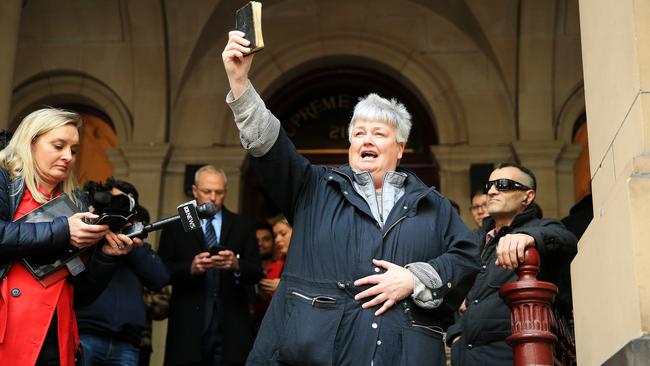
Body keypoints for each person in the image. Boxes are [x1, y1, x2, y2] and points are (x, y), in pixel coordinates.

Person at [222, 31, 481, 366]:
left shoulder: (433, 205)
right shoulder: (313, 187)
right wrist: (240, 82)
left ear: (400, 148)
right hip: (312, 355)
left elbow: (468, 258)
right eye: (359, 133)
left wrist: (415, 279)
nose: (366, 140)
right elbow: (269, 146)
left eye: (378, 133)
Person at [0, 108, 139, 366]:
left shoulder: (77, 202)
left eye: (73, 150)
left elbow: (81, 293)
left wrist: (107, 258)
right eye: (58, 145)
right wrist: (65, 231)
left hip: (57, 338)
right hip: (8, 331)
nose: (68, 157)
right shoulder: (5, 181)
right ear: (30, 142)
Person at [446, 163, 578, 365]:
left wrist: (528, 236)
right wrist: (456, 335)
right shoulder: (473, 239)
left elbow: (567, 241)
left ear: (528, 196)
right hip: (466, 355)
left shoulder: (542, 228)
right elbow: (449, 284)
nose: (491, 191)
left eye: (503, 185)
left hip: (511, 355)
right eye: (489, 185)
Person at [158, 165, 264, 366]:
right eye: (207, 191)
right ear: (195, 190)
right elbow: (161, 270)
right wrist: (191, 267)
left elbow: (257, 270)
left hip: (231, 326)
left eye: (219, 192)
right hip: (189, 326)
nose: (213, 197)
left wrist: (236, 265)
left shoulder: (242, 225)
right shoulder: (177, 224)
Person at [76, 179, 170, 366]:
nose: (123, 208)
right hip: (86, 334)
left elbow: (161, 278)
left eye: (129, 204)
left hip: (126, 343)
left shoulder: (137, 246)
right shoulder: (86, 234)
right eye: (118, 201)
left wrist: (130, 236)